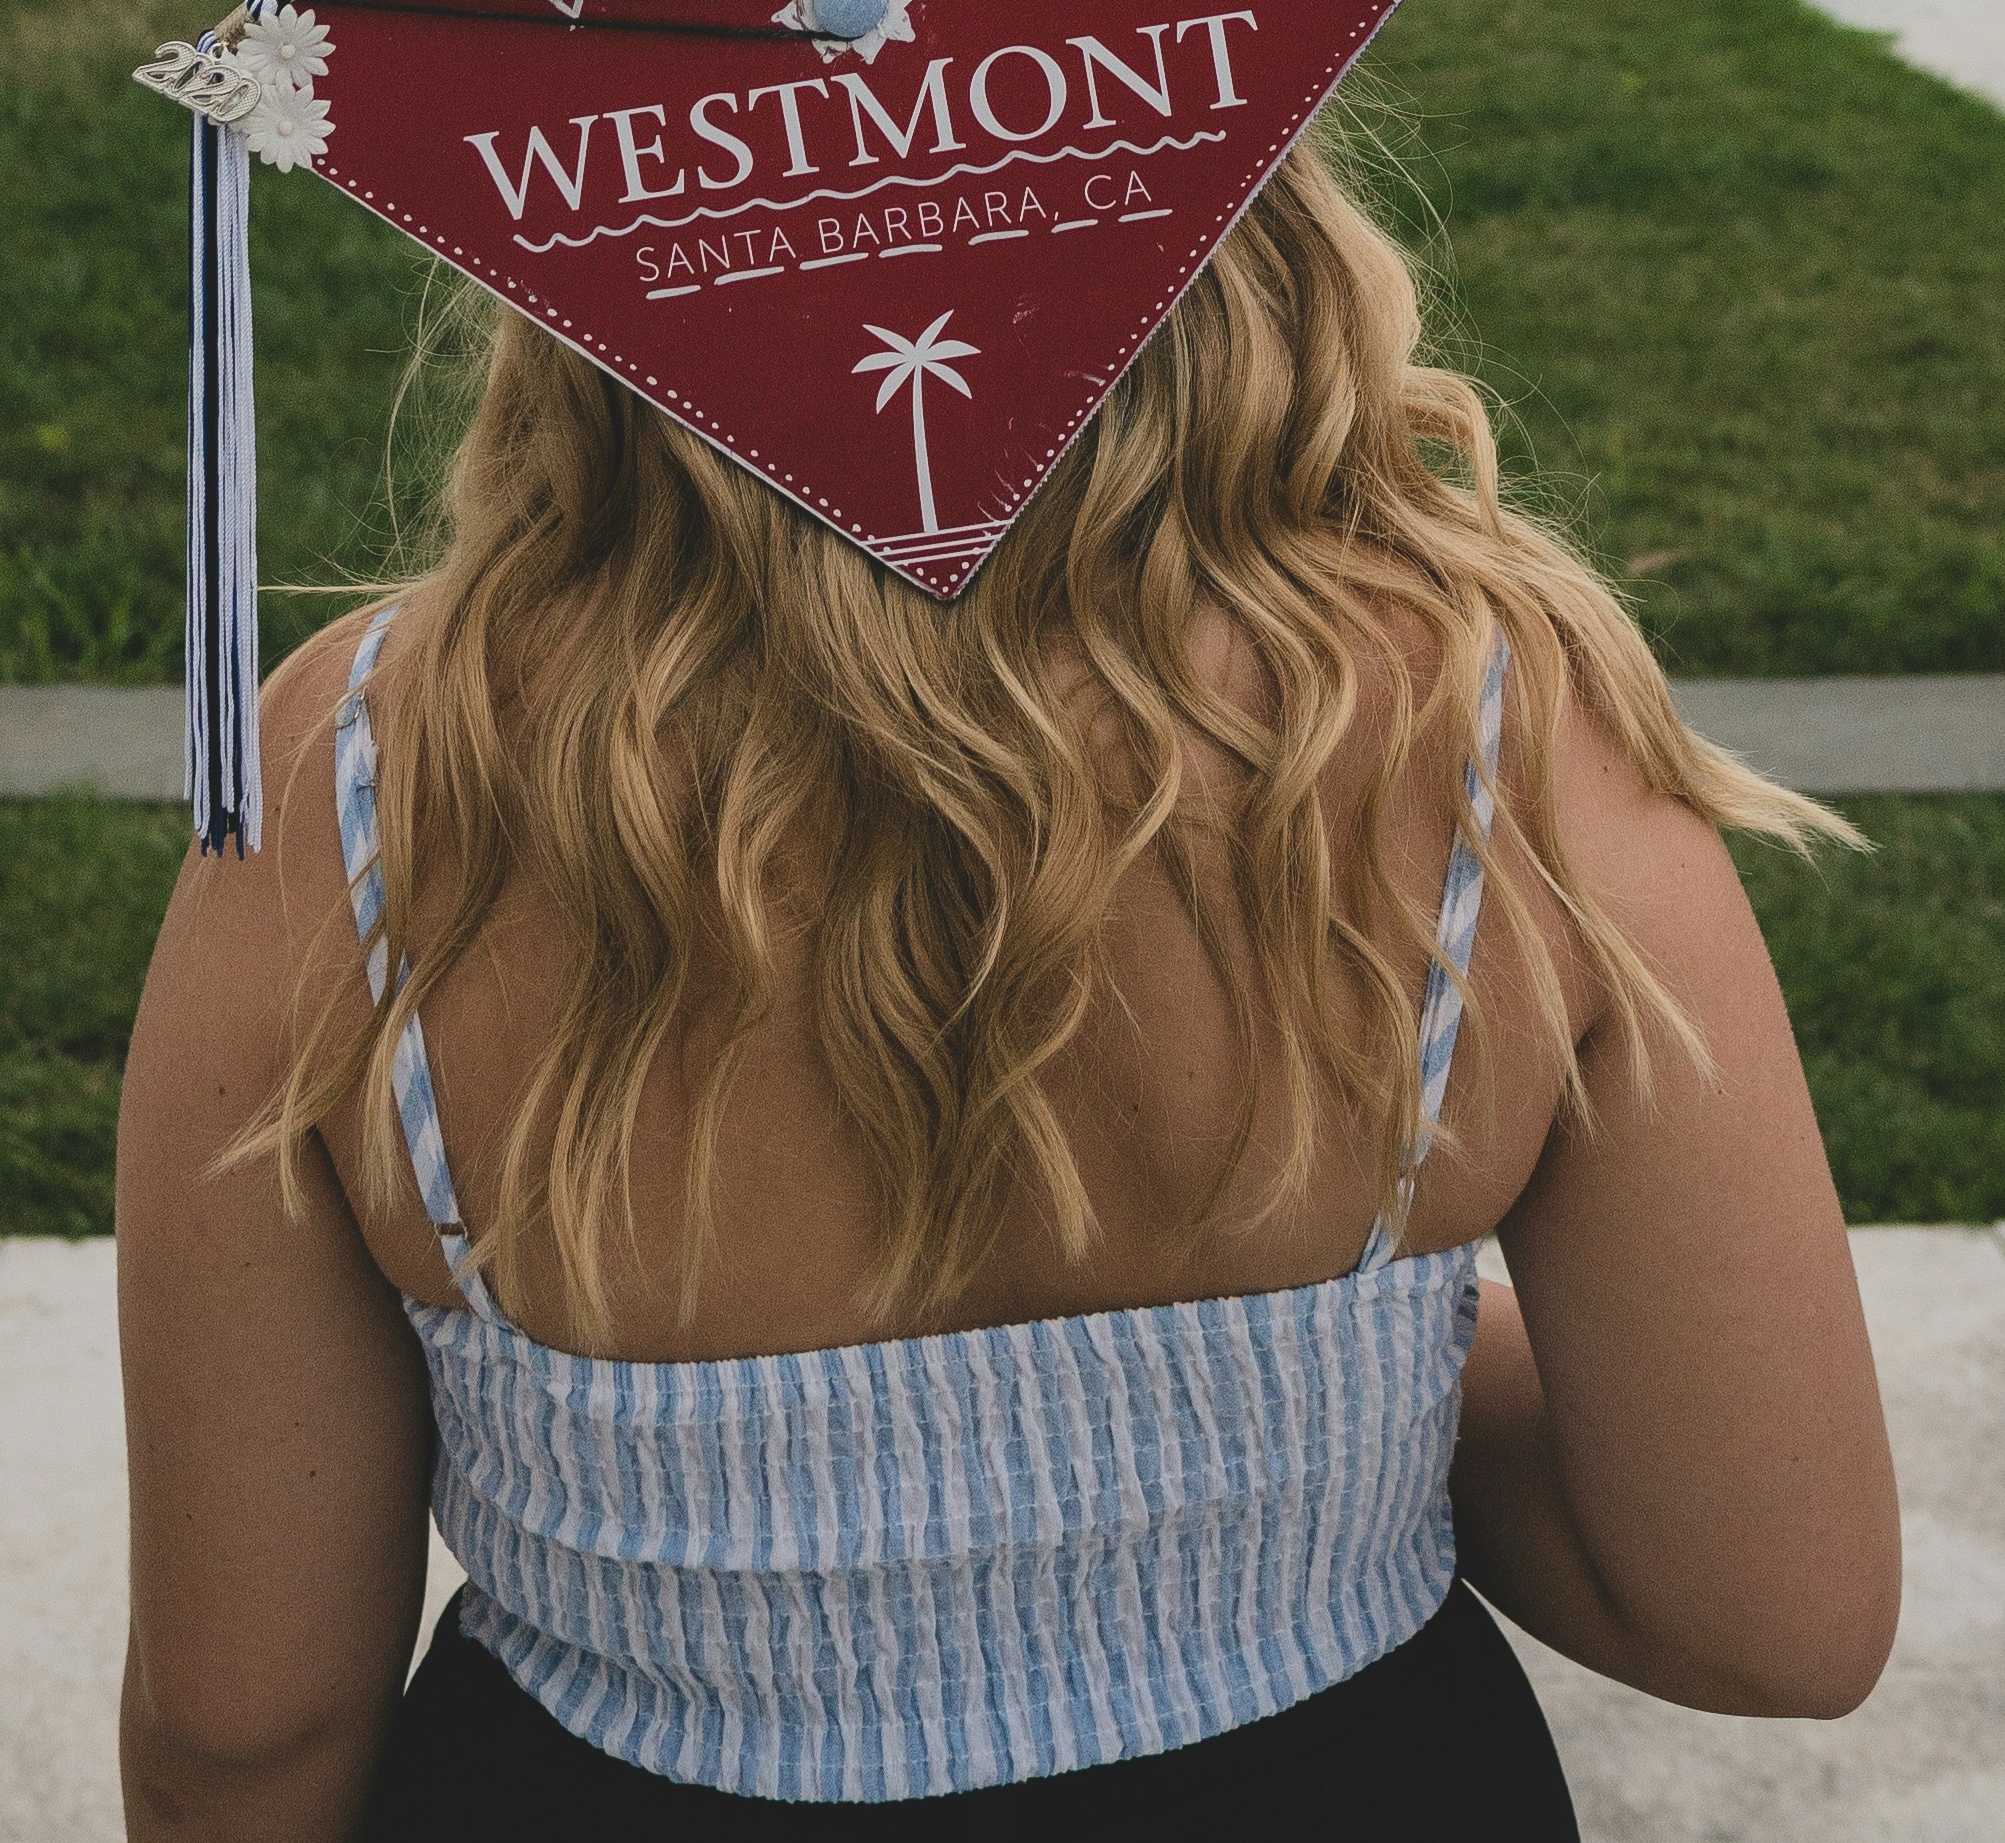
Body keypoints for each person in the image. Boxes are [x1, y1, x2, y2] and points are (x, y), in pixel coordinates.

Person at [114, 132, 1898, 1833]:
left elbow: (243, 1724)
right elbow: (1766, 1609)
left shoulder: (363, 781)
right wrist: (1319, 1412)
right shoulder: (1494, 726)